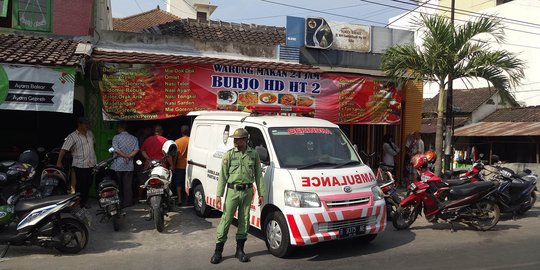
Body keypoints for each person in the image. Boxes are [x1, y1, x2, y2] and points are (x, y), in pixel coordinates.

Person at [210, 128, 265, 264]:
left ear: (246, 140)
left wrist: (261, 193)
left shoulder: (253, 155)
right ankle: (218, 251)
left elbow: (258, 174)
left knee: (245, 221)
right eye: (235, 139)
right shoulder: (229, 155)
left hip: (247, 191)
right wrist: (218, 195)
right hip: (232, 191)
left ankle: (239, 251)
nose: (235, 141)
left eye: (239, 139)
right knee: (226, 220)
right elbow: (222, 176)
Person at [56, 117, 97, 208]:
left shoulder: (90, 133)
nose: (88, 125)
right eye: (86, 124)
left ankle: (83, 201)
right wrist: (59, 161)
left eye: (88, 124)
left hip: (91, 163)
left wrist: (93, 155)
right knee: (81, 185)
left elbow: (94, 144)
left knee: (88, 183)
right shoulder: (72, 136)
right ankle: (80, 203)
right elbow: (64, 149)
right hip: (80, 165)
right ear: (79, 124)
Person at [110, 122, 139, 208]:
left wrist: (124, 156)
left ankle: (118, 201)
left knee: (117, 184)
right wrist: (128, 156)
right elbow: (136, 150)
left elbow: (116, 149)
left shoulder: (116, 137)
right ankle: (128, 202)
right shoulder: (134, 138)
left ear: (120, 128)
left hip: (117, 165)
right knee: (127, 185)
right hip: (129, 165)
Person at [173, 125, 190, 206]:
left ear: (181, 132)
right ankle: (187, 199)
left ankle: (179, 199)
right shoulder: (192, 140)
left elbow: (175, 155)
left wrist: (173, 164)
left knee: (179, 183)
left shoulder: (177, 141)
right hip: (189, 165)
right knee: (188, 183)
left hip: (180, 165)